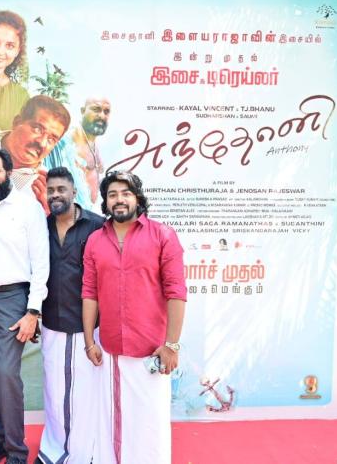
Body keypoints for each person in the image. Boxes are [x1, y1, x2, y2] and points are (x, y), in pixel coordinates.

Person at [82, 171, 187, 464]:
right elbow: (90, 292)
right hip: (111, 352)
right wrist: (90, 341)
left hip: (151, 351)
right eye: (112, 194)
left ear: (138, 198)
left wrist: (172, 345)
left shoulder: (163, 235)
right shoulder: (95, 241)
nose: (119, 199)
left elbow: (176, 292)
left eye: (126, 193)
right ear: (105, 201)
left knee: (149, 426)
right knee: (114, 424)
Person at [0, 147, 49, 464]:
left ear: (8, 173)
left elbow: (41, 263)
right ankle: (0, 440)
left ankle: (17, 450)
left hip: (13, 299)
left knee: (6, 374)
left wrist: (33, 311)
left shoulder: (28, 208)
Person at [35, 167, 104, 464]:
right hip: (52, 323)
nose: (55, 195)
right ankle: (55, 449)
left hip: (90, 326)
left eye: (61, 189)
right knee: (55, 391)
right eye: (51, 190)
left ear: (74, 192)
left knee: (86, 393)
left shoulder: (97, 226)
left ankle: (85, 452)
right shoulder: (40, 228)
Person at [0, 95, 70, 210]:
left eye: (51, 139)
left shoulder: (45, 191)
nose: (42, 143)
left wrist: (48, 214)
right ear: (17, 122)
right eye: (37, 129)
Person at [43, 97, 111, 209]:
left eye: (106, 111)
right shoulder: (61, 144)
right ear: (83, 111)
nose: (102, 116)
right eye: (96, 109)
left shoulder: (99, 150)